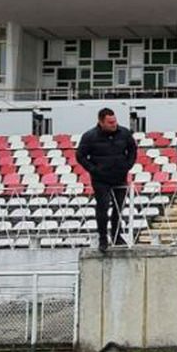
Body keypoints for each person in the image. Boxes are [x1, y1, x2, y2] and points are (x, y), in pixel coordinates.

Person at [75, 107, 137, 251]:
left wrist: (128, 165)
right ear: (101, 122)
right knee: (103, 206)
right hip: (100, 179)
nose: (114, 124)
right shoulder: (89, 136)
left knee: (119, 208)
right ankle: (103, 238)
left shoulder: (124, 133)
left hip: (120, 176)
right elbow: (80, 156)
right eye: (110, 122)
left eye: (114, 121)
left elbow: (133, 149)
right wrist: (93, 170)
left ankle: (117, 235)